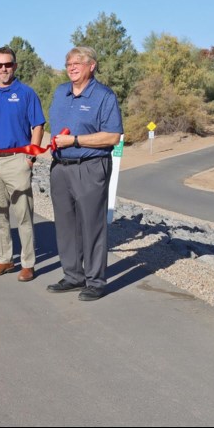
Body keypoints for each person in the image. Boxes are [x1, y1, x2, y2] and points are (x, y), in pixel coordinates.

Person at [46, 47, 123, 302]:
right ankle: (72, 276)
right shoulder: (60, 92)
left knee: (92, 225)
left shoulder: (103, 96)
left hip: (90, 167)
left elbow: (112, 136)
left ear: (92, 65)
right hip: (60, 167)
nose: (72, 66)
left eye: (78, 62)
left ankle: (95, 281)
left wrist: (75, 141)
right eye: (68, 62)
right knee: (66, 226)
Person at [0, 46, 46, 282]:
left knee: (24, 215)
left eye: (7, 64)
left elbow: (38, 125)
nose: (3, 69)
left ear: (15, 66)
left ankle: (28, 263)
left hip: (19, 160)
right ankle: (4, 259)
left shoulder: (26, 93)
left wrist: (31, 157)